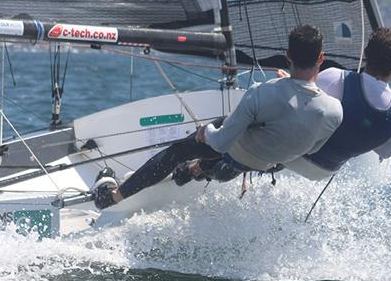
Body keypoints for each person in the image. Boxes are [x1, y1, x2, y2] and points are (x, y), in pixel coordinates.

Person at [92, 24, 343, 210]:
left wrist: (205, 132)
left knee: (185, 148)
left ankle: (112, 197)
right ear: (321, 58)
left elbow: (220, 142)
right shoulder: (334, 110)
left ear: (288, 55)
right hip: (272, 164)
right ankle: (190, 172)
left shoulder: (261, 93)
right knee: (250, 134)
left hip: (237, 153)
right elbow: (312, 143)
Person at [282, 27, 391, 181]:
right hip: (323, 172)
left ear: (365, 51)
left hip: (292, 155)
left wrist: (286, 81)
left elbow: (297, 99)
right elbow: (386, 152)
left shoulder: (336, 77)